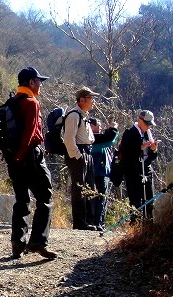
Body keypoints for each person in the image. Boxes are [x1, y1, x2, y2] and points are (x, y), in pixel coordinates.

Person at [6, 67, 57, 259]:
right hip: (30, 157)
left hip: (13, 158)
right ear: (30, 83)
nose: (40, 84)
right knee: (45, 198)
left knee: (22, 200)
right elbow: (29, 134)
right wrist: (21, 155)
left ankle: (17, 243)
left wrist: (14, 157)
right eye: (38, 81)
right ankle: (37, 242)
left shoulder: (12, 101)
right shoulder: (31, 103)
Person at [63, 86, 99, 231]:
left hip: (87, 153)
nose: (93, 102)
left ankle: (89, 221)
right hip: (78, 154)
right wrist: (78, 156)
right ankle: (80, 223)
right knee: (79, 188)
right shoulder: (74, 116)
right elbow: (68, 139)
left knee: (90, 187)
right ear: (82, 100)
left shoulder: (84, 115)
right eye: (91, 98)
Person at [118, 110, 159, 220]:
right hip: (133, 172)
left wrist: (154, 150)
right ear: (139, 121)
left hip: (147, 170)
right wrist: (140, 148)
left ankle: (149, 224)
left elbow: (152, 156)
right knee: (135, 200)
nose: (148, 127)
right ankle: (135, 225)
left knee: (150, 199)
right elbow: (125, 153)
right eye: (147, 124)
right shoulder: (129, 133)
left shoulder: (148, 134)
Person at [88, 118, 119, 231]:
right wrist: (113, 128)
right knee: (99, 198)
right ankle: (96, 222)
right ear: (91, 126)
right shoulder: (92, 139)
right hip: (98, 172)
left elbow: (108, 140)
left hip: (103, 172)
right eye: (98, 125)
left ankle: (100, 222)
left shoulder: (98, 138)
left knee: (102, 199)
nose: (100, 127)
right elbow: (109, 139)